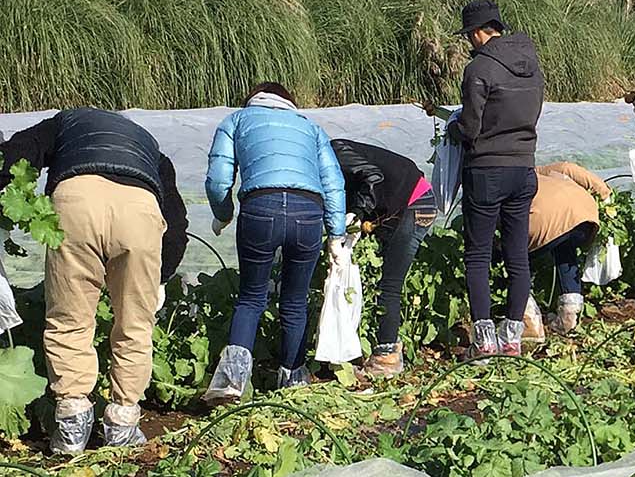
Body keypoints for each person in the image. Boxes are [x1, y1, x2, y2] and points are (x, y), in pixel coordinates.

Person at [0, 109, 188, 453]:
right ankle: (123, 424)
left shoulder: (66, 122)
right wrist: (161, 277)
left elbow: (19, 153)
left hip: (77, 203)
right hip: (140, 210)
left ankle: (72, 423)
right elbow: (177, 223)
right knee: (135, 324)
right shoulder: (150, 148)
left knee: (69, 319)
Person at [204, 83, 347, 402]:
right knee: (295, 300)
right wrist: (336, 234)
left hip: (261, 207)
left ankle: (232, 381)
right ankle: (292, 379)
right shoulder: (310, 128)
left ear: (253, 100)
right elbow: (333, 181)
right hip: (308, 211)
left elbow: (218, 177)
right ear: (289, 102)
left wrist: (223, 213)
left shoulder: (236, 120)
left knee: (251, 297)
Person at [448, 0, 544, 357]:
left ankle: (484, 339)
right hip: (524, 168)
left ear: (477, 33)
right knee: (518, 255)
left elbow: (470, 127)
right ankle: (512, 337)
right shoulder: (533, 66)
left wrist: (454, 128)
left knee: (478, 254)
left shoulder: (480, 68)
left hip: (487, 169)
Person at [331, 138, 436, 377]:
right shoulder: (331, 158)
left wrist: (357, 213)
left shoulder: (335, 151)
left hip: (414, 203)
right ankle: (383, 349)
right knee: (383, 278)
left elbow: (373, 175)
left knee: (389, 284)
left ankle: (387, 355)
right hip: (407, 203)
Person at [527, 161, 612, 334]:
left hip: (545, 220)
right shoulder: (541, 171)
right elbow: (569, 168)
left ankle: (529, 320)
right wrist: (605, 195)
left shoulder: (507, 180)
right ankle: (569, 314)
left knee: (516, 261)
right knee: (565, 248)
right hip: (586, 215)